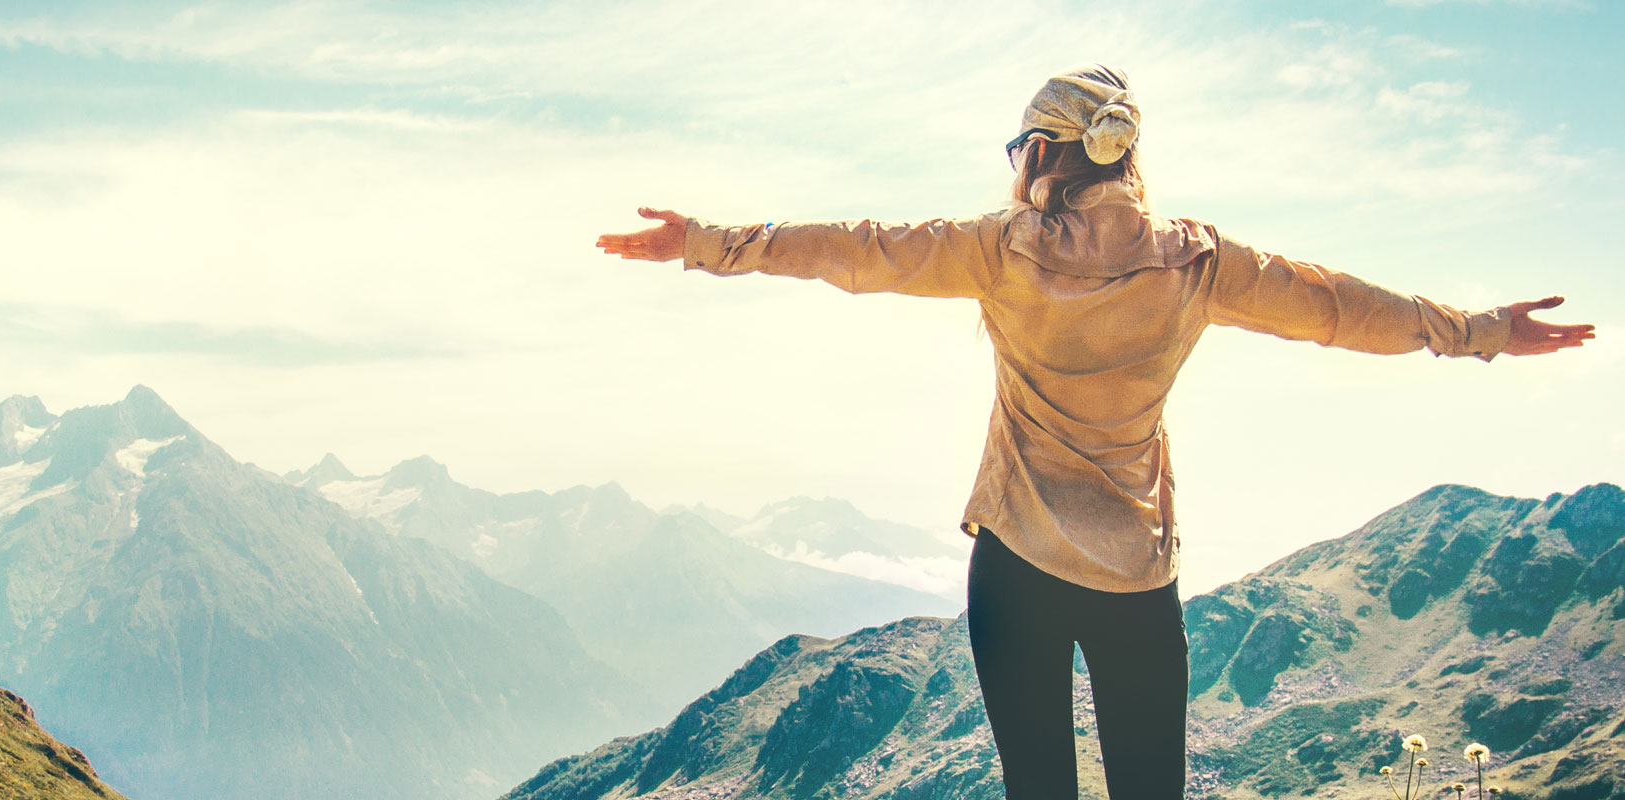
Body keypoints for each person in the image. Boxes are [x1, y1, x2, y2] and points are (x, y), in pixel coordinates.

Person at [593, 64, 1595, 800]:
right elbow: (1341, 308)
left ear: (1041, 153)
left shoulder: (1000, 250)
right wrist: (1482, 332)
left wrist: (709, 243)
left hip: (1016, 568)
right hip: (1135, 579)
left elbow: (857, 250)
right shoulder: (1196, 262)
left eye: (1017, 150)